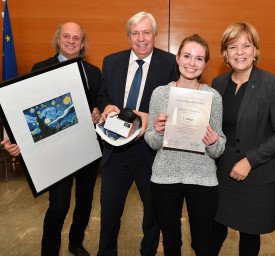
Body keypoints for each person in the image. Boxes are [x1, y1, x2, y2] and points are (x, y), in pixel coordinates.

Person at [1, 22, 102, 256]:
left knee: (85, 202)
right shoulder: (40, 68)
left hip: (86, 148)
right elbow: (25, 110)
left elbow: (98, 104)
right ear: (58, 40)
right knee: (58, 206)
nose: (71, 41)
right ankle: (49, 251)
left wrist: (98, 112)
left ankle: (76, 242)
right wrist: (12, 139)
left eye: (76, 38)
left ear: (82, 43)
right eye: (66, 36)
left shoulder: (93, 72)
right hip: (55, 153)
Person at [97, 12, 177, 256]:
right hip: (115, 150)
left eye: (146, 32)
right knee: (109, 211)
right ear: (129, 36)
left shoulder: (171, 63)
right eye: (135, 33)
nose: (141, 38)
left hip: (150, 151)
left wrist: (149, 118)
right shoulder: (111, 61)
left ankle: (148, 251)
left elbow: (176, 105)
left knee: (152, 212)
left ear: (154, 35)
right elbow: (102, 95)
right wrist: (106, 106)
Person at [211, 22, 275, 256]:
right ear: (225, 53)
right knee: (214, 232)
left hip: (256, 174)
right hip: (221, 173)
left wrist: (249, 161)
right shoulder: (218, 84)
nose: (239, 52)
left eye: (246, 46)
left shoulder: (272, 84)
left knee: (249, 236)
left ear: (255, 50)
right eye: (232, 46)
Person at [144, 34, 226, 256]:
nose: (192, 63)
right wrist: (159, 132)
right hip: (164, 178)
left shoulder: (213, 97)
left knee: (203, 245)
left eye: (199, 59)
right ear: (178, 59)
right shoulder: (160, 94)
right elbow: (151, 142)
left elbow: (219, 147)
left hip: (202, 179)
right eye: (187, 56)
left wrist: (213, 142)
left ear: (205, 64)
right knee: (171, 243)